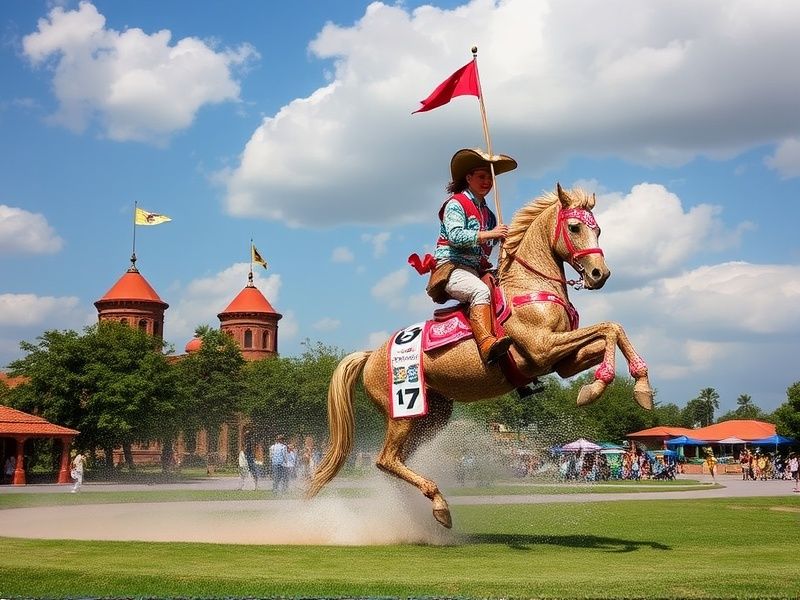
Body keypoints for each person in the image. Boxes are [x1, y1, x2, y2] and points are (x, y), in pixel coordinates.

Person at [425, 148, 516, 364]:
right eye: (481, 177)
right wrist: (490, 233)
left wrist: (504, 239)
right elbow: (456, 236)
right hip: (453, 268)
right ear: (469, 178)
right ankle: (486, 345)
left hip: (476, 270)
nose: (487, 182)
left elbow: (490, 244)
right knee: (480, 292)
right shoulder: (456, 203)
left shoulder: (489, 214)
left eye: (490, 178)